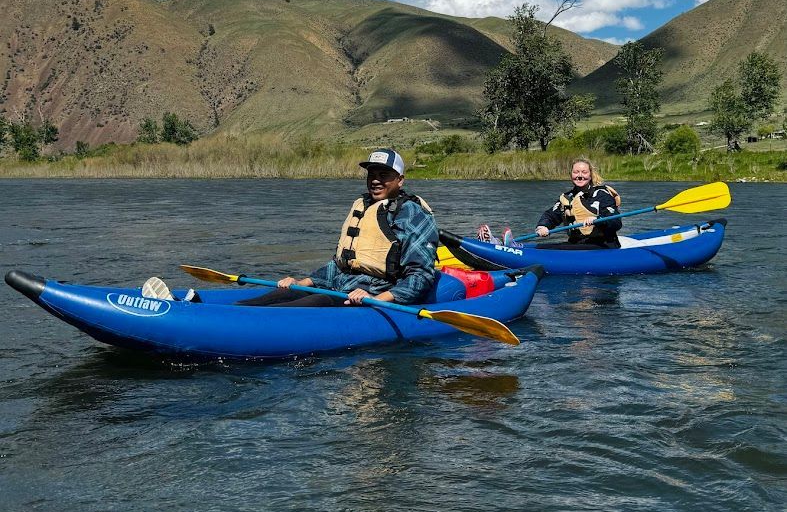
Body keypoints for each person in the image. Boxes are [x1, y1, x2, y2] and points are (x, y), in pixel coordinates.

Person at [142, 148, 440, 307]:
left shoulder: (412, 214)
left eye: (384, 175)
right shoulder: (363, 205)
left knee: (296, 308)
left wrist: (377, 299)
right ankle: (191, 306)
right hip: (337, 286)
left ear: (400, 180)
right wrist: (301, 280)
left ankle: (199, 318)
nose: (375, 180)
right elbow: (341, 264)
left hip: (367, 295)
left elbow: (421, 276)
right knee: (272, 297)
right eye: (372, 174)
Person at [477, 157, 622, 248]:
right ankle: (499, 244)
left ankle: (513, 248)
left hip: (602, 245)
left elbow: (616, 221)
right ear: (571, 175)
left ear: (590, 175)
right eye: (576, 172)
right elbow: (551, 215)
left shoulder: (601, 194)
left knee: (555, 248)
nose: (579, 176)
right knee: (552, 245)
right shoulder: (567, 197)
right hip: (577, 243)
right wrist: (542, 226)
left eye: (584, 172)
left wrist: (598, 220)